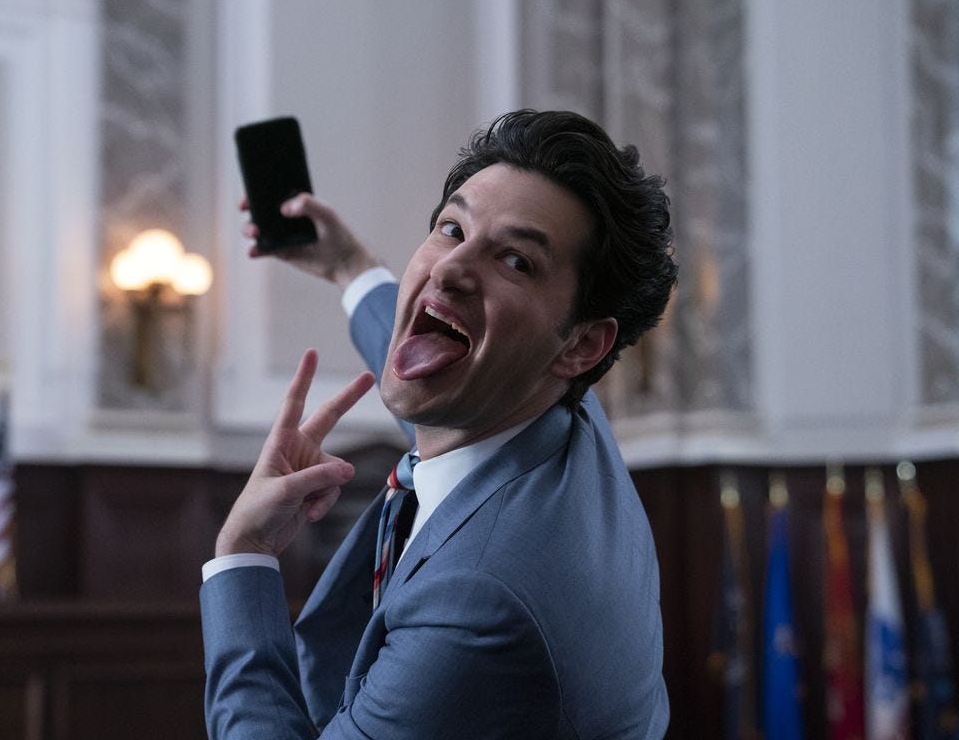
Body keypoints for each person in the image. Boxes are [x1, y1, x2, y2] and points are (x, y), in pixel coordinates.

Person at [201, 110, 678, 738]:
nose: (451, 269)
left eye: (516, 262)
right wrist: (350, 266)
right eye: (452, 228)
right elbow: (440, 368)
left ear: (582, 345)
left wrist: (244, 557)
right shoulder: (562, 410)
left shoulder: (479, 601)